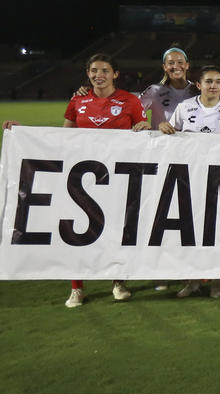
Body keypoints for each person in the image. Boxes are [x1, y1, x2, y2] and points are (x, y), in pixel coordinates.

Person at [5, 54, 149, 308]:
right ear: (88, 73)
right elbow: (62, 138)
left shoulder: (130, 100)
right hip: (81, 177)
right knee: (75, 231)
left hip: (117, 179)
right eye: (94, 70)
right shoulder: (78, 101)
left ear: (115, 74)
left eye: (104, 70)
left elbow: (145, 135)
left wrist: (143, 127)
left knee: (116, 231)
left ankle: (117, 281)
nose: (98, 75)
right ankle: (76, 288)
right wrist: (22, 133)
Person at [159, 65, 220, 298]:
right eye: (208, 81)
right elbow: (171, 132)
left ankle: (217, 280)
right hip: (189, 177)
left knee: (215, 230)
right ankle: (192, 280)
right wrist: (163, 127)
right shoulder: (184, 108)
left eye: (217, 82)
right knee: (189, 229)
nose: (214, 86)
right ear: (199, 85)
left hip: (219, 178)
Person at [139, 46, 199, 127]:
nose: (175, 66)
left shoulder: (198, 91)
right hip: (161, 139)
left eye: (180, 62)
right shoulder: (154, 91)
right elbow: (133, 110)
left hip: (191, 139)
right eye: (171, 63)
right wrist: (142, 122)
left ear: (187, 65)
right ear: (165, 67)